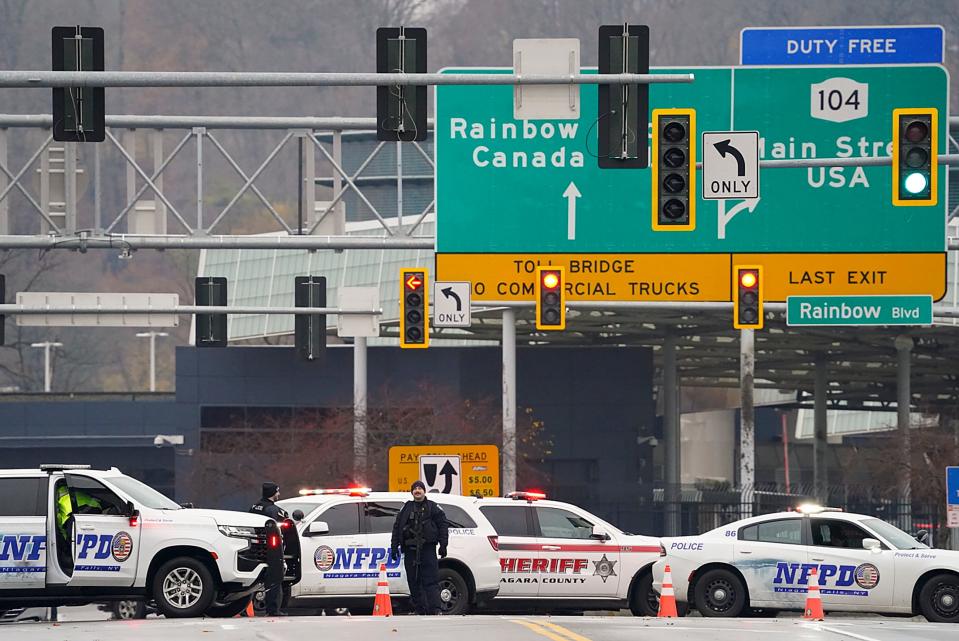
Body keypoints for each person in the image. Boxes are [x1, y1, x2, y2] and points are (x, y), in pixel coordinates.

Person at [390, 480, 449, 615]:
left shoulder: (433, 507)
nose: (417, 490)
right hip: (410, 550)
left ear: (424, 491)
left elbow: (443, 525)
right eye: (415, 489)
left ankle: (435, 609)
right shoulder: (406, 508)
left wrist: (443, 545)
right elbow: (397, 527)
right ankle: (419, 608)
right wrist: (394, 547)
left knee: (431, 580)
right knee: (413, 580)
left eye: (420, 488)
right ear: (412, 492)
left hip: (427, 549)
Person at [249, 482, 289, 616]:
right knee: (275, 578)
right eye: (277, 492)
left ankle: (245, 609)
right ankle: (273, 610)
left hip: (255, 547)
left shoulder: (255, 506)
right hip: (272, 549)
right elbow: (284, 523)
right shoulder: (273, 510)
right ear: (273, 493)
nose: (279, 494)